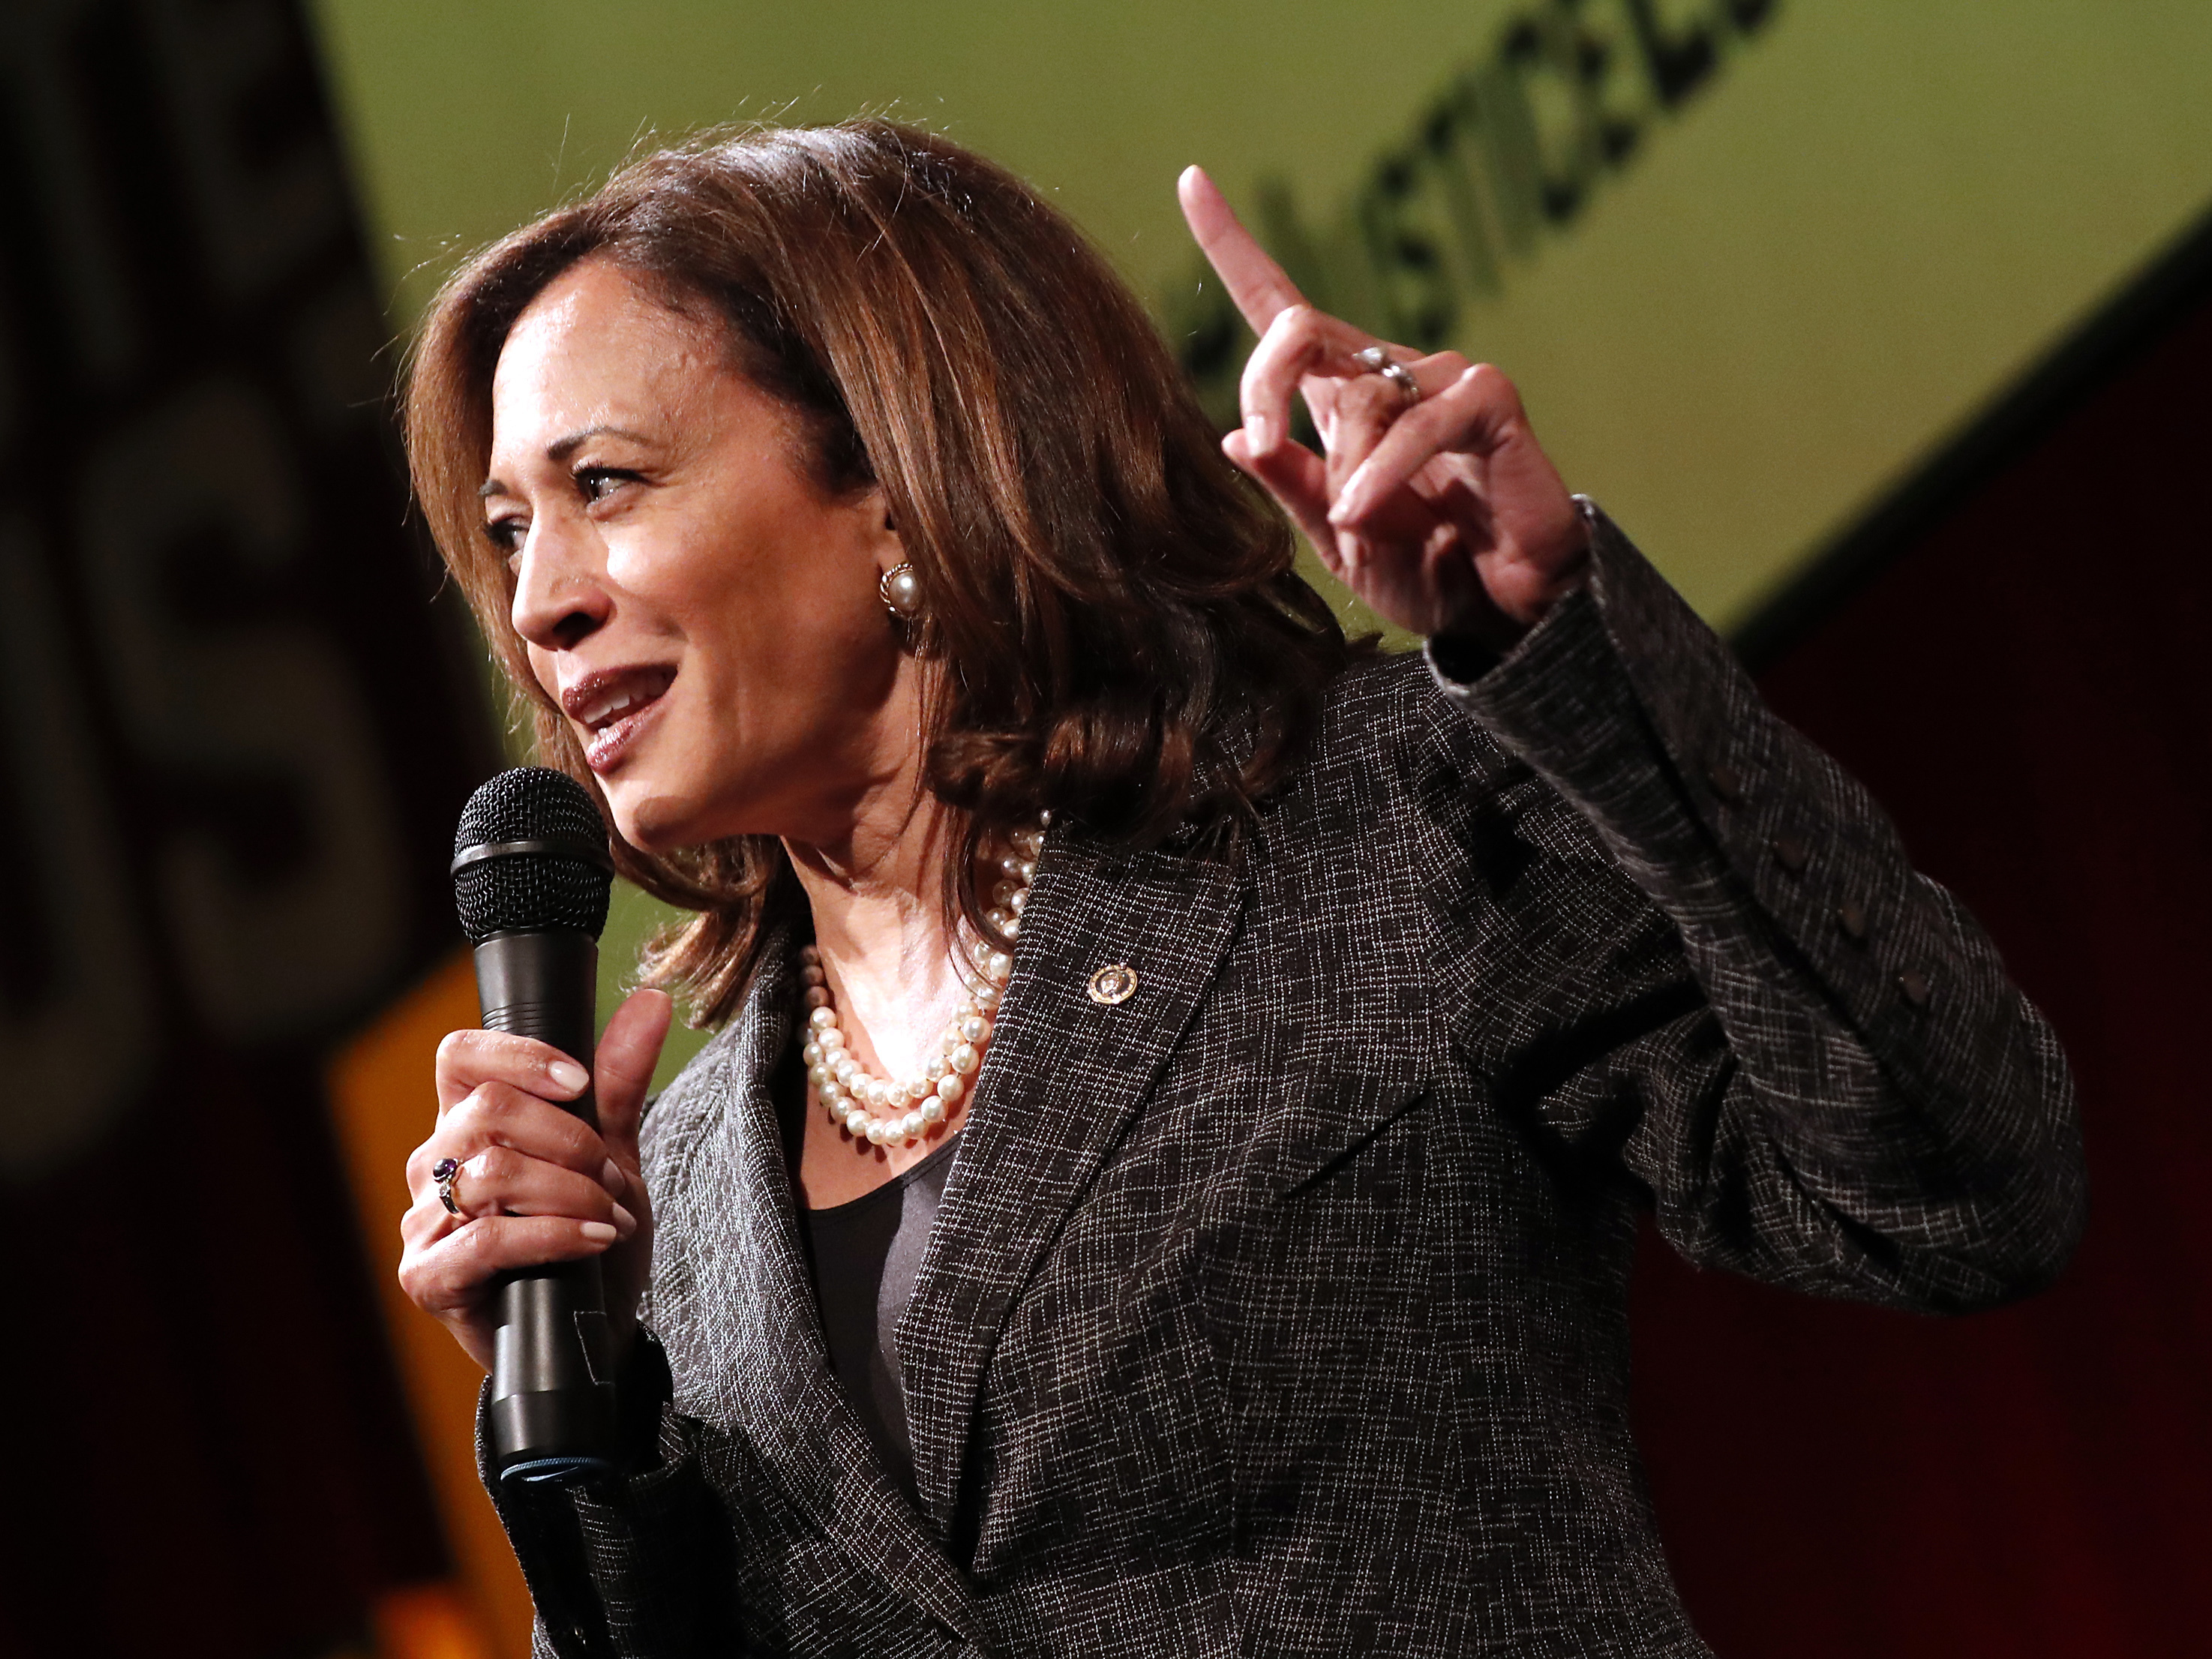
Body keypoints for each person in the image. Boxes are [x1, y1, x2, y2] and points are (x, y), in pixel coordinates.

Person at [397, 120, 2084, 1658]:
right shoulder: (670, 1195)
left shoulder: (1350, 831)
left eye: (600, 486)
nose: (537, 602)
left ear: (894, 481)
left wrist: (1561, 650)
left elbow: (1954, 1183)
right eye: (507, 529)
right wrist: (593, 1410)